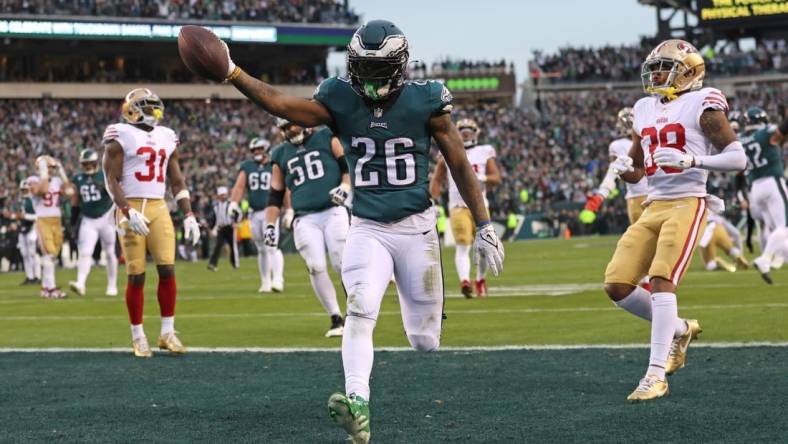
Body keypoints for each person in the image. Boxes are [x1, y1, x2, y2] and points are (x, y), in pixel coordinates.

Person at [212, 19, 504, 443]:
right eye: (361, 68)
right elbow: (280, 104)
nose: (366, 78)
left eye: (376, 68)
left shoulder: (427, 100)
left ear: (399, 65)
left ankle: (423, 319)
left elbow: (459, 162)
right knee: (361, 308)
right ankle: (358, 404)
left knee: (424, 340)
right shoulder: (338, 97)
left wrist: (484, 223)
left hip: (418, 230)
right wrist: (233, 73)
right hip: (367, 227)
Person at [603, 39, 746, 401]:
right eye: (655, 68)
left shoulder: (703, 102)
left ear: (689, 72)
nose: (658, 75)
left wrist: (694, 161)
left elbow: (737, 158)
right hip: (653, 204)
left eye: (666, 67)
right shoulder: (643, 108)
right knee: (617, 285)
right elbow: (639, 170)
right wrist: (626, 171)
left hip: (688, 200)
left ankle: (655, 376)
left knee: (662, 278)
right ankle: (681, 329)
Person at [102, 87, 201, 358]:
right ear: (131, 109)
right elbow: (110, 180)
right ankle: (138, 335)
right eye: (146, 106)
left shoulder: (167, 136)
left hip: (159, 206)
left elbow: (177, 181)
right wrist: (125, 210)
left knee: (167, 269)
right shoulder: (119, 134)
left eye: (154, 106)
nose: (153, 111)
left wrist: (189, 214)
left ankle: (167, 332)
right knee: (137, 274)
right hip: (130, 204)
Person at [263, 119, 350, 337]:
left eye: (290, 125)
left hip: (333, 210)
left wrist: (346, 185)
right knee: (316, 266)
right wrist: (270, 225)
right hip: (305, 218)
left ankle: (356, 314)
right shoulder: (280, 153)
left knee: (342, 262)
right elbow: (275, 194)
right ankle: (335, 317)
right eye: (283, 128)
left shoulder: (325, 136)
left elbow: (346, 165)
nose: (288, 131)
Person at [430, 118, 500, 297]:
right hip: (458, 206)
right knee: (463, 245)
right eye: (462, 131)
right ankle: (465, 281)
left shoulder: (484, 151)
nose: (466, 133)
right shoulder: (448, 150)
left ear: (475, 133)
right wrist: (434, 201)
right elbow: (437, 178)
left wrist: (480, 178)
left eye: (469, 131)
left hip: (480, 205)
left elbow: (496, 178)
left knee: (485, 246)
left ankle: (480, 279)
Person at [228, 138, 285, 293]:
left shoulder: (274, 164)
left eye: (259, 149)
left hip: (270, 211)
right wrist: (234, 202)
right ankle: (265, 282)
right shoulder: (247, 166)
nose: (256, 152)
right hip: (254, 212)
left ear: (266, 149)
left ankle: (278, 279)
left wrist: (289, 208)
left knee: (272, 246)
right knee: (261, 249)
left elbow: (283, 186)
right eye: (254, 150)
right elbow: (239, 186)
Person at [739, 106, 788, 283]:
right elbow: (782, 130)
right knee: (784, 227)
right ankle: (765, 259)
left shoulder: (741, 140)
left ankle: (770, 258)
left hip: (755, 189)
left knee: (776, 230)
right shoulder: (765, 132)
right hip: (772, 181)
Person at [68, 148, 119, 297]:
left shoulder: (105, 175)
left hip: (107, 217)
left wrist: (105, 187)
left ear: (96, 162)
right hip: (88, 219)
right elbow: (75, 201)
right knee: (85, 252)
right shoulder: (78, 179)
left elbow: (117, 192)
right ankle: (80, 283)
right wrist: (72, 221)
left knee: (110, 253)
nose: (87, 166)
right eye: (85, 164)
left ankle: (112, 285)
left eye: (90, 163)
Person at [27, 155, 70, 299]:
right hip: (43, 220)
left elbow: (70, 192)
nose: (51, 170)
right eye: (48, 167)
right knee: (49, 254)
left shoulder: (57, 180)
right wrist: (44, 172)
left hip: (57, 220)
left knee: (52, 255)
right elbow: (43, 191)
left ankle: (46, 288)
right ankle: (51, 289)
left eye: (52, 167)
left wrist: (62, 173)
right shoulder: (33, 180)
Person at [207, 186, 239, 271]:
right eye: (222, 195)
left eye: (225, 194)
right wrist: (211, 228)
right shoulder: (216, 207)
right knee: (218, 246)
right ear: (218, 196)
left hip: (229, 228)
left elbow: (238, 214)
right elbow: (213, 219)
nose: (224, 196)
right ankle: (212, 264)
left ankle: (235, 264)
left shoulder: (230, 205)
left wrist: (235, 222)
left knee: (233, 246)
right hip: (221, 228)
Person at [16, 179, 41, 285]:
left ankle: (37, 276)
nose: (24, 192)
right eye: (22, 190)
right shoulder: (20, 201)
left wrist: (24, 216)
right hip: (22, 230)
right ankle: (29, 276)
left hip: (32, 229)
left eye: (26, 190)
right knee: (24, 254)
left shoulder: (33, 201)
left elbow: (38, 216)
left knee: (33, 254)